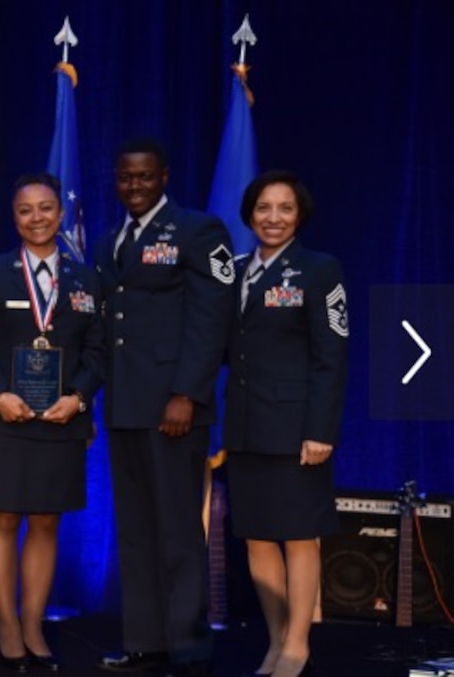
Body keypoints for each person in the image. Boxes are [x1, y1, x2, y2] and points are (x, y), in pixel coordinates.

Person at [92, 137, 235, 676]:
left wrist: (187, 393)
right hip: (125, 405)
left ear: (165, 177)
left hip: (174, 405)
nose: (134, 185)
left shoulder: (199, 231)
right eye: (126, 177)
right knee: (136, 529)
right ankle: (146, 642)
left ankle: (189, 646)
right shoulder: (110, 242)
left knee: (178, 528)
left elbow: (211, 316)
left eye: (145, 177)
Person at [0, 173, 105, 672]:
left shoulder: (87, 278)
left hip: (61, 420)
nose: (37, 218)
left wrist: (79, 398)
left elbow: (97, 349)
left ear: (61, 214)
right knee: (3, 519)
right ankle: (5, 624)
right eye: (26, 210)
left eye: (46, 208)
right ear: (14, 217)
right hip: (2, 417)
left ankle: (33, 623)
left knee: (46, 523)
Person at [224, 171, 347, 677]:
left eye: (285, 209)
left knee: (298, 536)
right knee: (256, 536)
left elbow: (330, 358)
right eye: (263, 209)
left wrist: (321, 430)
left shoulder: (320, 270)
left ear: (300, 216)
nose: (273, 218)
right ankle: (275, 641)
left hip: (298, 430)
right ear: (249, 215)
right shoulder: (231, 271)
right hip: (246, 427)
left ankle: (298, 643)